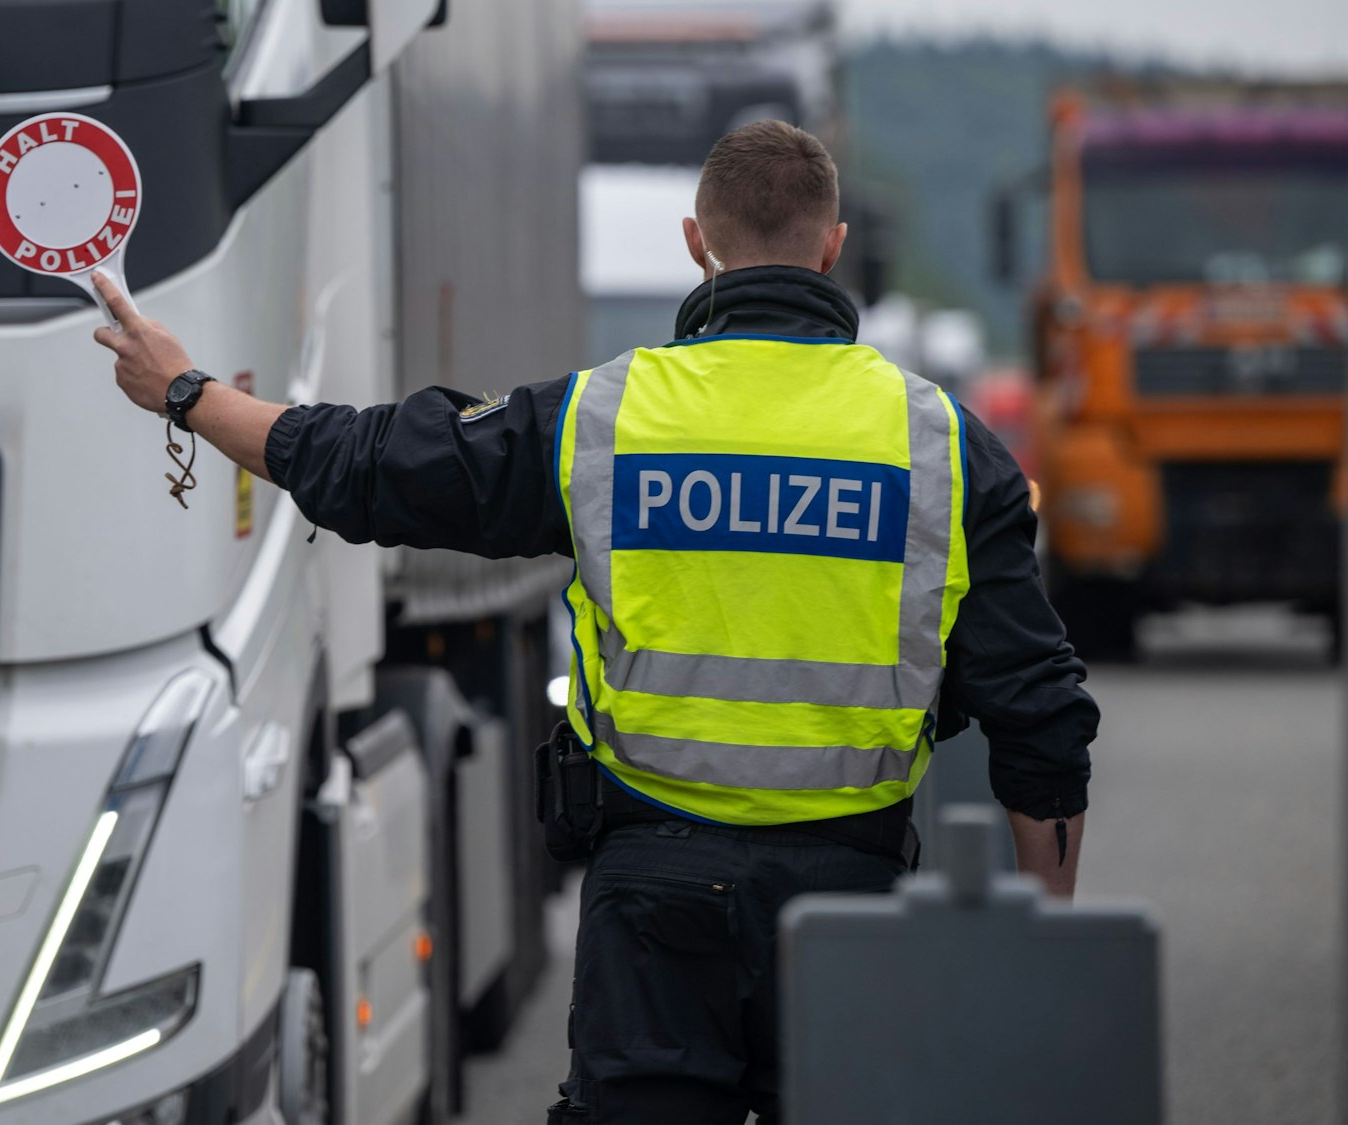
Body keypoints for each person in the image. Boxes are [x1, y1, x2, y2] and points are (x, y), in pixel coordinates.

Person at [92, 120, 1097, 1125]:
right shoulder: (943, 447)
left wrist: (187, 393)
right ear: (832, 246)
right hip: (852, 903)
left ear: (696, 243)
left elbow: (370, 465)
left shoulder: (600, 421)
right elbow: (1039, 713)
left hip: (653, 905)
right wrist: (1041, 942)